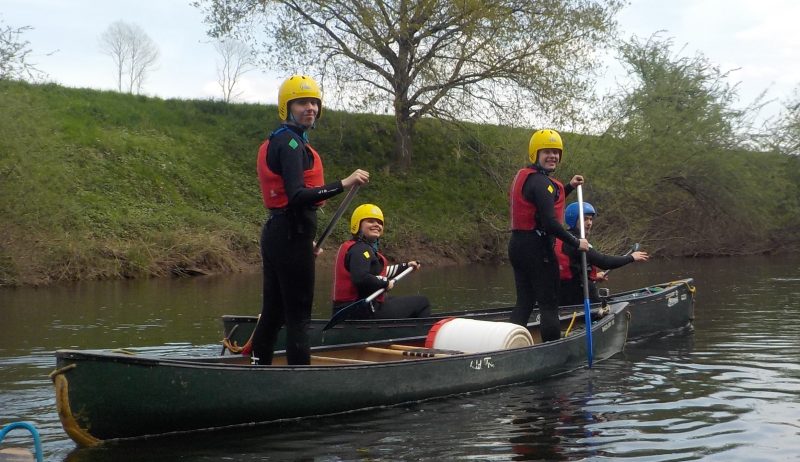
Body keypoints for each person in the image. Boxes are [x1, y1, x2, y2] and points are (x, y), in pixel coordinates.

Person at [251, 74, 369, 365]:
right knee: (298, 315)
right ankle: (298, 378)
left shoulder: (283, 141)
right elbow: (296, 195)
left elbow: (291, 203)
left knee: (274, 311)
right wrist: (344, 182)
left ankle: (258, 369)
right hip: (289, 235)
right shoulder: (290, 144)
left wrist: (306, 239)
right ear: (287, 107)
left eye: (314, 103)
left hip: (284, 233)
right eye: (302, 103)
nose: (310, 108)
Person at [508, 129, 589, 342]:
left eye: (556, 152)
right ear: (535, 153)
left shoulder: (529, 178)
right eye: (547, 152)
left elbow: (547, 200)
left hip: (518, 245)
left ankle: (505, 345)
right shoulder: (541, 182)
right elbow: (550, 222)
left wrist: (570, 186)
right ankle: (552, 350)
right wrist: (575, 241)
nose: (552, 156)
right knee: (549, 304)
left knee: (524, 302)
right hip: (538, 249)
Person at [332, 203, 431, 319]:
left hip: (357, 308)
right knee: (422, 303)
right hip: (360, 310)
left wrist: (406, 266)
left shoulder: (359, 248)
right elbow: (360, 278)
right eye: (370, 221)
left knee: (392, 299)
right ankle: (415, 333)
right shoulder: (360, 250)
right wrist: (385, 283)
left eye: (379, 223)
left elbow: (380, 273)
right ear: (357, 224)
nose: (376, 225)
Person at [556, 202, 650, 306]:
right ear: (573, 220)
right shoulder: (577, 243)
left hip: (564, 295)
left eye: (591, 219)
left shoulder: (564, 238)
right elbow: (604, 262)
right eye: (585, 219)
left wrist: (594, 276)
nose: (589, 223)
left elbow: (573, 270)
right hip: (580, 297)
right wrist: (631, 257)